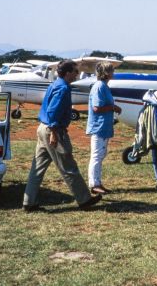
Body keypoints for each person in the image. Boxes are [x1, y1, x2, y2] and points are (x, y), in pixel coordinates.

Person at [23, 60, 101, 212]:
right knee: (68, 166)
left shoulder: (55, 84)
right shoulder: (64, 88)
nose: (77, 74)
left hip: (42, 128)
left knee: (37, 168)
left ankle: (29, 202)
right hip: (53, 130)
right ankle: (84, 200)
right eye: (75, 71)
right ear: (67, 73)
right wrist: (53, 133)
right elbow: (53, 111)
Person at [86, 61, 121, 194]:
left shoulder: (103, 86)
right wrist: (113, 107)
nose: (113, 73)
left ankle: (97, 182)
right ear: (106, 73)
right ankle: (94, 184)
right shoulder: (100, 87)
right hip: (99, 127)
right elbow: (97, 107)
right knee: (96, 155)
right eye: (111, 70)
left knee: (100, 154)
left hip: (103, 126)